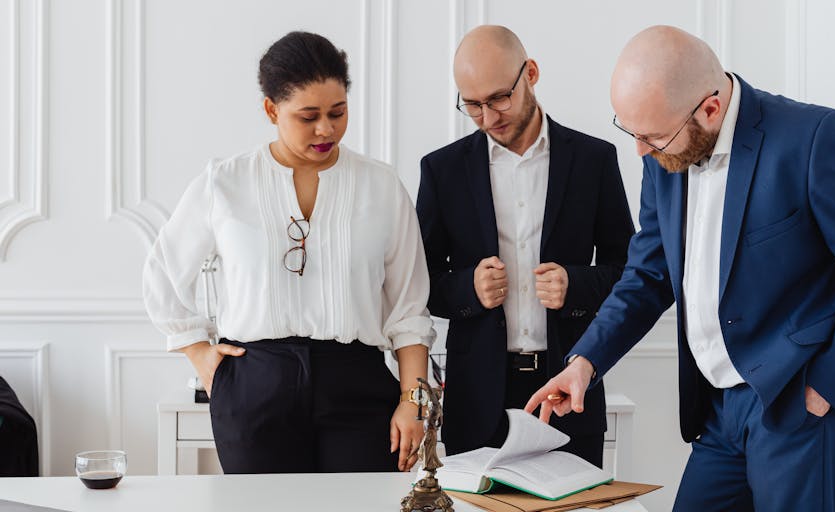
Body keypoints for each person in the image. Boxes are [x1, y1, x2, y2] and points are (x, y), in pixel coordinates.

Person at [526, 26, 835, 511]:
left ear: (710, 109)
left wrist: (825, 386)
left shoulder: (813, 138)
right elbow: (649, 275)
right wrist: (585, 362)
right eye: (631, 132)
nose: (641, 152)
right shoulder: (663, 151)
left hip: (800, 404)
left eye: (651, 136)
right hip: (718, 409)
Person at [142, 31, 434, 474]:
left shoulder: (381, 186)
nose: (326, 129)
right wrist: (199, 353)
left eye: (338, 112)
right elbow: (162, 272)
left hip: (357, 383)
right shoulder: (224, 182)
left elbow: (409, 308)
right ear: (271, 110)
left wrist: (413, 401)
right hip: (254, 385)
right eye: (308, 116)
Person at [416, 26, 634, 467]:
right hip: (476, 398)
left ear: (530, 73)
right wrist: (468, 290)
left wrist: (576, 284)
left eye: (499, 98)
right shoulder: (442, 170)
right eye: (472, 105)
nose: (488, 116)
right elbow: (419, 284)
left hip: (567, 388)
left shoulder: (594, 160)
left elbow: (631, 272)